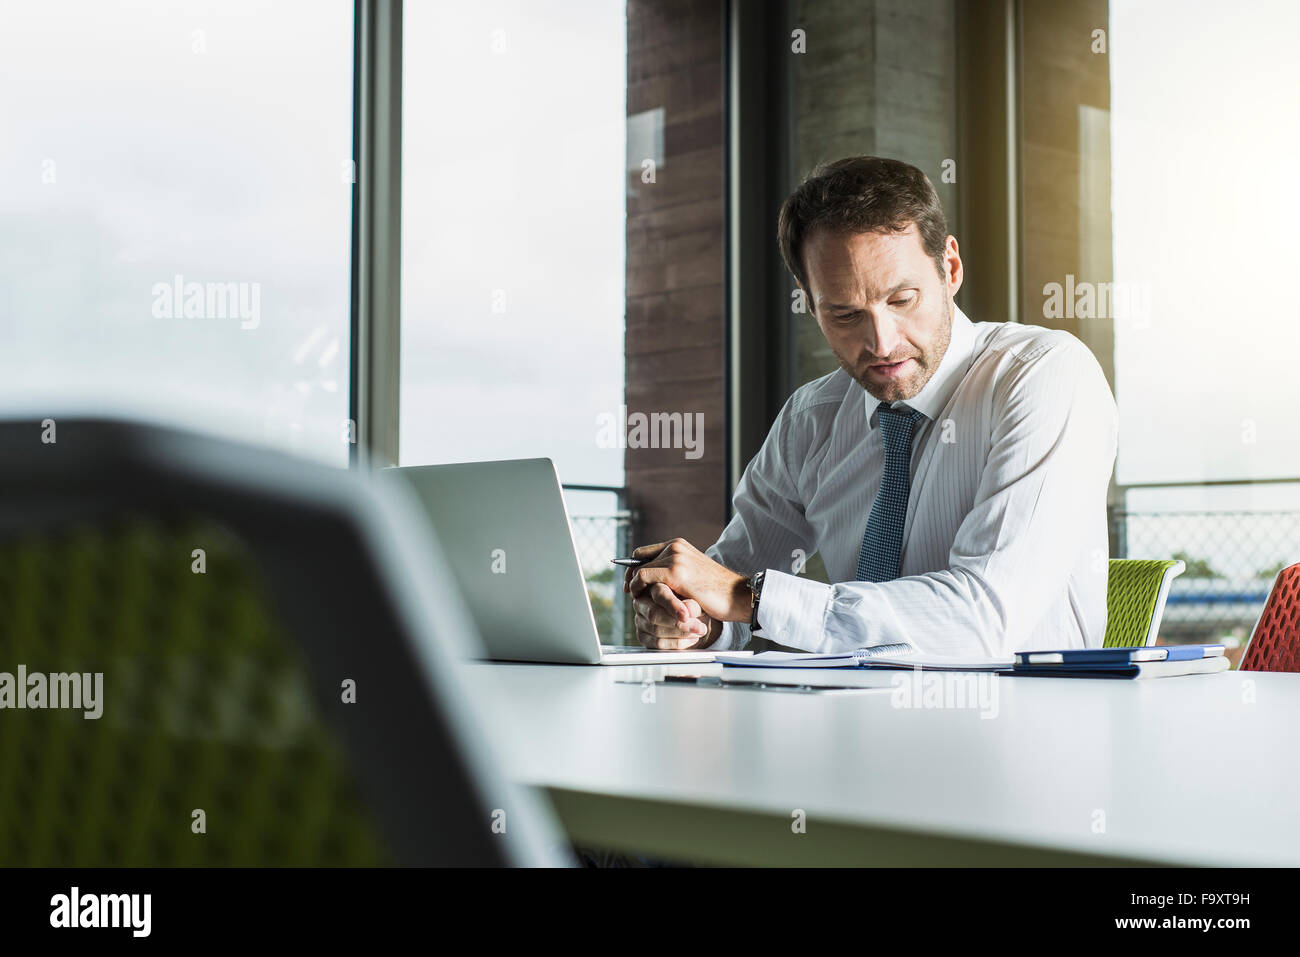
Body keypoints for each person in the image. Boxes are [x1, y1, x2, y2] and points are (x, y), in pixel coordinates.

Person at [625, 156, 1117, 658]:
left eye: (902, 300)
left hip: (1025, 721)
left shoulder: (1045, 376)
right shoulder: (810, 420)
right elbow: (725, 589)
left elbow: (984, 618)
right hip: (851, 716)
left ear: (950, 269)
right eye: (845, 313)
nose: (881, 343)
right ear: (810, 303)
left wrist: (747, 598)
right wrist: (692, 619)